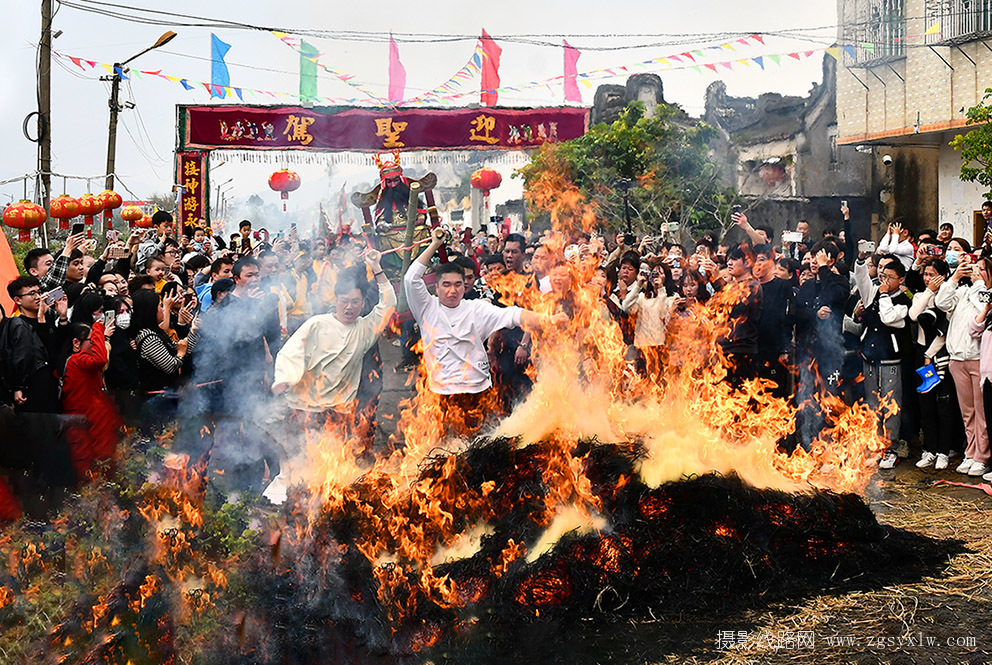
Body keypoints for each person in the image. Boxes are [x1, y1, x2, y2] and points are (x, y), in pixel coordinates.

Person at [404, 228, 567, 434]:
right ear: (436, 288)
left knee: (474, 450)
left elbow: (515, 315)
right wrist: (435, 244)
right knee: (443, 451)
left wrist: (549, 319)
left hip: (476, 391)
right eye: (446, 285)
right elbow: (411, 279)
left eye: (457, 285)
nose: (452, 291)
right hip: (441, 393)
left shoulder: (477, 309)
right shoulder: (427, 308)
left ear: (465, 287)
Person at [272, 250, 395, 451]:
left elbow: (388, 303)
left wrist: (377, 269)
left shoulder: (365, 330)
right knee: (300, 465)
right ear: (335, 300)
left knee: (338, 463)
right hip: (307, 408)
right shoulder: (317, 324)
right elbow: (292, 351)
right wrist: (284, 378)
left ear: (363, 303)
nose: (349, 307)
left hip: (340, 411)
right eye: (344, 301)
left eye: (355, 302)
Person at [854, 250, 912, 468]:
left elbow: (889, 318)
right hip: (870, 357)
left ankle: (891, 448)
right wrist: (861, 260)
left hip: (890, 359)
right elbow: (861, 280)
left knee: (891, 405)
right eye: (882, 276)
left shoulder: (904, 300)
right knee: (872, 404)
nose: (884, 281)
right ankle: (875, 445)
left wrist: (885, 293)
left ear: (901, 279)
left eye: (889, 277)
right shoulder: (873, 293)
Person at [936, 255, 992, 476]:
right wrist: (955, 278)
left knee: (982, 412)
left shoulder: (984, 293)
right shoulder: (962, 291)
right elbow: (942, 302)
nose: (976, 272)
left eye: (981, 269)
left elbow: (982, 311)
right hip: (957, 358)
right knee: (967, 411)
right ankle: (970, 452)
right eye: (974, 268)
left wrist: (979, 284)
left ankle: (983, 455)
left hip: (979, 359)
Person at [911, 259, 961, 470]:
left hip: (941, 355)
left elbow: (945, 331)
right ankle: (929, 450)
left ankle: (943, 451)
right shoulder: (921, 295)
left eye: (932, 274)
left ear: (944, 275)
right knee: (926, 405)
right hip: (922, 353)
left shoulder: (951, 298)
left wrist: (930, 354)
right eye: (925, 274)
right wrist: (929, 292)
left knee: (944, 407)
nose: (928, 278)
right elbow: (913, 315)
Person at [60, 320, 123, 479]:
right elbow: (100, 360)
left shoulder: (81, 361)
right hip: (82, 429)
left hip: (92, 426)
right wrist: (97, 328)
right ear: (76, 343)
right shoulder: (76, 360)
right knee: (89, 474)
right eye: (92, 341)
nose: (95, 345)